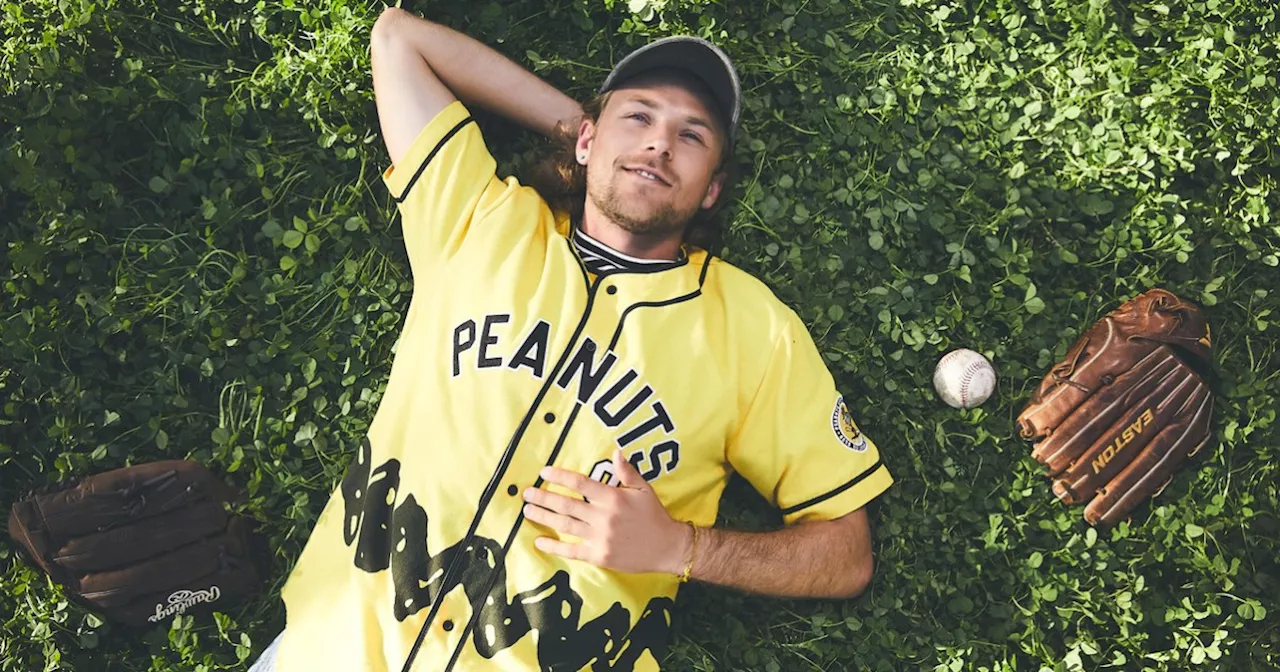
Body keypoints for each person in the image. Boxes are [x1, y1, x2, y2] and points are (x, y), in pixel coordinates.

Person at [250, 7, 894, 671]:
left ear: (713, 191)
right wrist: (588, 133)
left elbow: (846, 554)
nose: (660, 144)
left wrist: (682, 549)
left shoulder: (755, 330)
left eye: (691, 136)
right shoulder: (481, 219)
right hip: (329, 651)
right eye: (639, 116)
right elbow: (398, 38)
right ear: (584, 140)